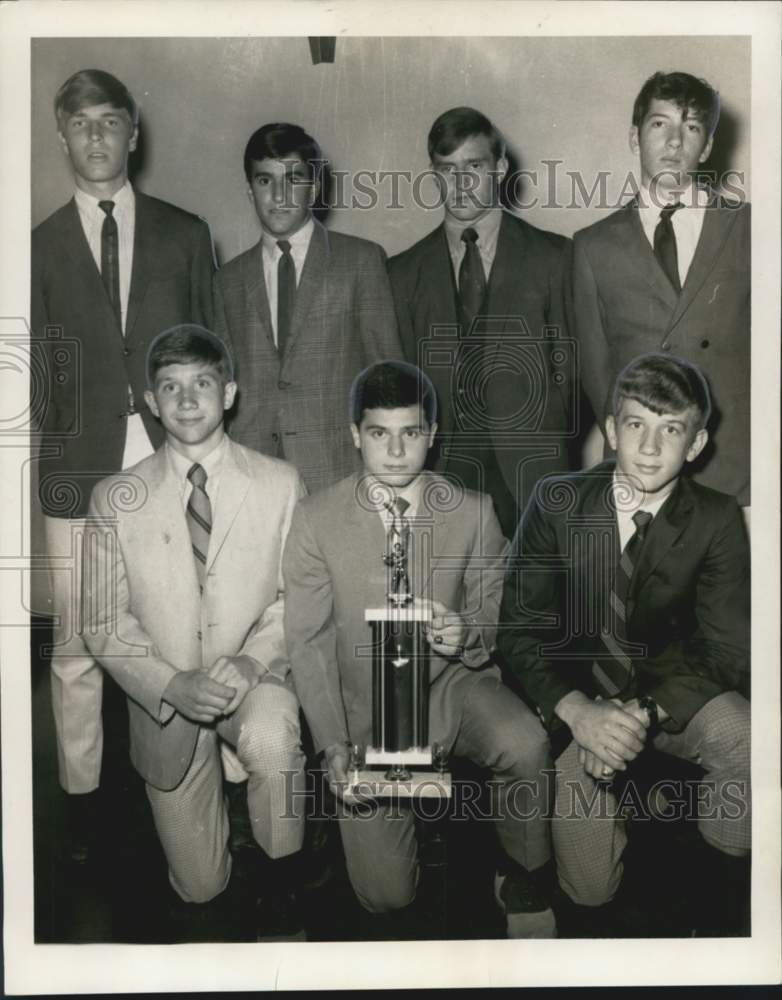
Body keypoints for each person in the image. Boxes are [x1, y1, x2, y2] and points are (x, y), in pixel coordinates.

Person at [283, 360, 557, 939]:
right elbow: (306, 644)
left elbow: (497, 615)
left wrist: (468, 633)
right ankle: (360, 821)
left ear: (432, 435)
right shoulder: (314, 519)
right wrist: (332, 742)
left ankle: (522, 872)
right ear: (354, 434)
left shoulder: (473, 511)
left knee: (525, 742)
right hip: (364, 712)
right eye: (379, 433)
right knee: (385, 898)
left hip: (450, 685)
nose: (396, 449)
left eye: (411, 432)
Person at [498, 353, 750, 934]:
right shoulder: (556, 500)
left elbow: (726, 651)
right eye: (636, 425)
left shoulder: (716, 518)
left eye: (672, 430)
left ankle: (720, 911)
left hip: (669, 695)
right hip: (576, 699)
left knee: (748, 734)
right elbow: (518, 630)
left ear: (697, 443)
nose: (651, 447)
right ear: (612, 430)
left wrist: (640, 713)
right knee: (588, 892)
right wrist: (581, 713)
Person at [31, 69, 216, 859]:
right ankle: (82, 804)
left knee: (186, 624)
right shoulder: (35, 245)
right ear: (62, 134)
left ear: (134, 132)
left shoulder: (185, 232)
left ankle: (212, 780)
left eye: (111, 121)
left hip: (169, 457)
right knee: (78, 642)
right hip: (78, 463)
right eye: (81, 123)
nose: (97, 137)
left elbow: (212, 349)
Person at [82, 326, 307, 939]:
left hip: (250, 681)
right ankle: (218, 830)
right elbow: (102, 622)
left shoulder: (279, 483)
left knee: (268, 738)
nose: (187, 401)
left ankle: (283, 881)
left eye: (202, 384)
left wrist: (252, 663)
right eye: (170, 388)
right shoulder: (114, 497)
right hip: (167, 702)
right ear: (150, 402)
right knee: (200, 888)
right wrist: (168, 683)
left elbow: (299, 600)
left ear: (229, 393)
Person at [388, 107, 573, 540]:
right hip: (443, 475)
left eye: (474, 166)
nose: (461, 183)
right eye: (447, 169)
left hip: (533, 473)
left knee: (536, 605)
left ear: (501, 168)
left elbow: (569, 372)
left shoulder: (553, 257)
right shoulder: (401, 273)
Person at [572, 71, 750, 510]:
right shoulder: (592, 246)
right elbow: (597, 376)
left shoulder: (749, 227)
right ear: (635, 138)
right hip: (639, 474)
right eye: (659, 124)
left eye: (690, 128)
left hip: (731, 473)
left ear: (707, 146)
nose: (674, 142)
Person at [213, 122, 403, 494]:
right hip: (252, 478)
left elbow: (386, 378)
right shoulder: (227, 280)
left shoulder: (361, 261)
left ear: (314, 187)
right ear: (249, 191)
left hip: (337, 472)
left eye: (293, 179)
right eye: (265, 181)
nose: (279, 195)